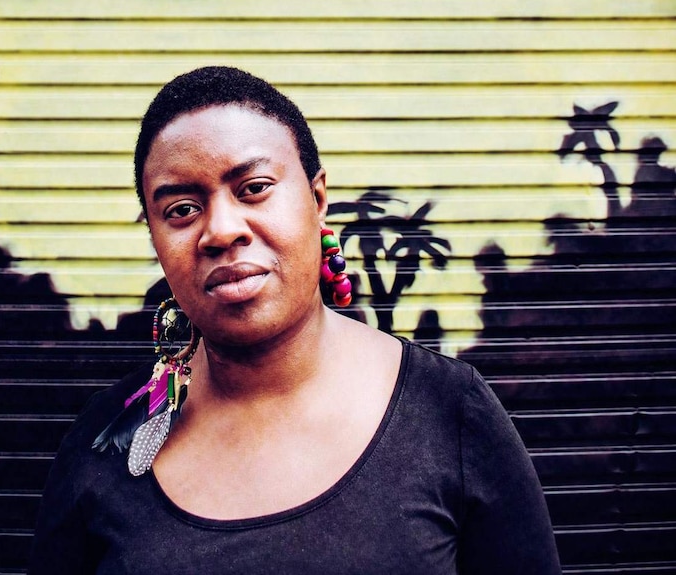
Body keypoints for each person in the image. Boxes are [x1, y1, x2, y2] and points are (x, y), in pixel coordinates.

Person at [28, 66, 561, 574]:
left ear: (317, 197)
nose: (221, 230)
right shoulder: (105, 439)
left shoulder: (449, 411)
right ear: (155, 239)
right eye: (182, 209)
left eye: (254, 188)